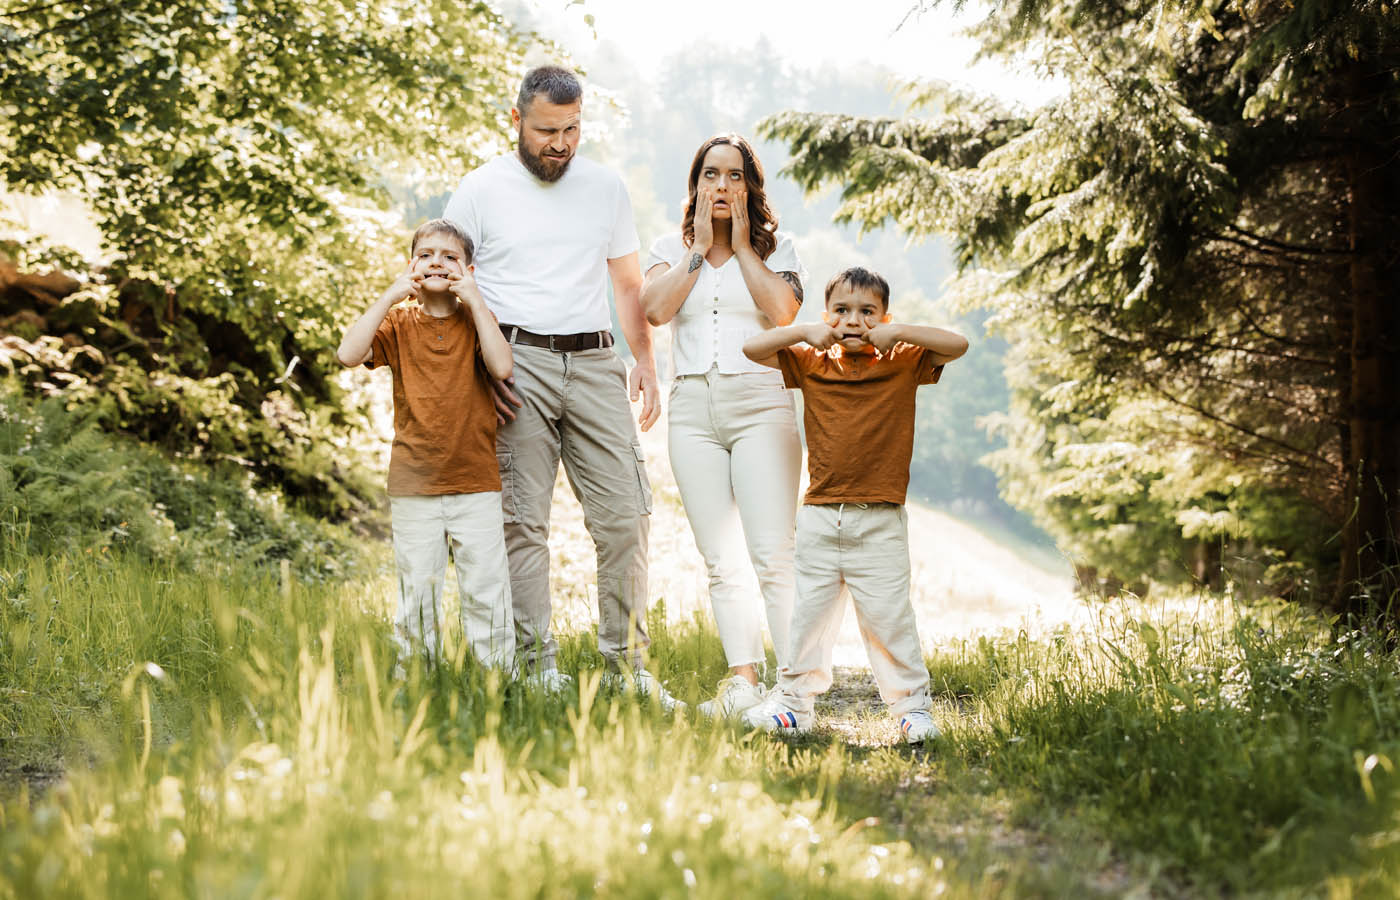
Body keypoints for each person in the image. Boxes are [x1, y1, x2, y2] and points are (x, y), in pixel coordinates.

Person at [442, 65, 680, 707]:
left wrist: (646, 362)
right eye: (547, 129)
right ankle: (535, 666)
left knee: (628, 515)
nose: (560, 143)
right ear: (516, 120)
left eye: (572, 129)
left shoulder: (605, 187)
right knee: (523, 523)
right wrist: (476, 374)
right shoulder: (478, 191)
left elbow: (628, 286)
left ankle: (628, 669)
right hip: (514, 364)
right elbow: (446, 290)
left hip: (596, 361)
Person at [736, 266, 969, 743]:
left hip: (880, 519)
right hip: (821, 515)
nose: (854, 321)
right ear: (828, 317)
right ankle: (795, 704)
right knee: (807, 621)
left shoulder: (904, 359)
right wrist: (803, 331)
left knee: (890, 619)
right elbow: (751, 349)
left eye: (868, 312)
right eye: (842, 311)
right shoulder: (812, 360)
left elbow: (957, 344)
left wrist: (898, 333)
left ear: (884, 317)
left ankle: (911, 708)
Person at [640, 134, 804, 718]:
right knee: (721, 558)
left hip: (762, 404)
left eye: (735, 176)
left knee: (772, 552)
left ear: (750, 187)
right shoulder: (668, 247)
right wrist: (700, 248)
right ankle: (742, 679)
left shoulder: (781, 250)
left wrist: (738, 247)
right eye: (712, 174)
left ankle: (795, 686)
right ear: (696, 183)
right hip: (692, 411)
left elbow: (783, 312)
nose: (722, 185)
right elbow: (655, 310)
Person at [336, 219, 516, 670]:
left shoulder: (477, 319)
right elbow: (347, 354)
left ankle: (495, 678)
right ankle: (415, 679)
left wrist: (474, 299)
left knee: (486, 588)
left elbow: (501, 367)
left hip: (475, 482)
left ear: (468, 270)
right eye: (427, 254)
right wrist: (390, 295)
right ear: (411, 265)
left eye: (451, 256)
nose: (438, 261)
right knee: (416, 589)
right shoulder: (397, 322)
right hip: (414, 483)